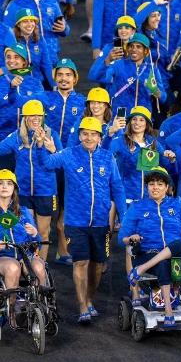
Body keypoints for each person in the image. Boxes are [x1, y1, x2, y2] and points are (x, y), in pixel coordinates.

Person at [39, 117, 126, 324]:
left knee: (97, 265)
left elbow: (118, 187)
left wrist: (124, 215)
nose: (89, 137)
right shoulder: (69, 154)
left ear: (99, 137)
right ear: (79, 135)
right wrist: (45, 146)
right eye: (85, 133)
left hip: (101, 223)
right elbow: (48, 164)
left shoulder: (107, 158)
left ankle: (89, 300)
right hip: (75, 222)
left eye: (93, 134)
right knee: (80, 262)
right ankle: (82, 307)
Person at [120, 166, 181, 325]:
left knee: (179, 244)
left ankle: (139, 271)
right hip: (147, 253)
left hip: (176, 255)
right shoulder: (137, 207)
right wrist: (131, 238)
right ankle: (168, 311)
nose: (155, 187)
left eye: (160, 184)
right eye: (152, 184)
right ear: (147, 186)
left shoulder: (178, 204)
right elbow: (122, 237)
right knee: (163, 263)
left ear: (167, 187)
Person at [0, 99, 61, 261]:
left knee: (42, 232)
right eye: (31, 115)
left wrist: (52, 149)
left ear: (43, 117)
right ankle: (27, 267)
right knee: (25, 231)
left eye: (38, 116)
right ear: (24, 117)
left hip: (46, 192)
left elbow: (62, 162)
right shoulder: (16, 137)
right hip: (23, 193)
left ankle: (41, 265)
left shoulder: (51, 134)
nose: (35, 119)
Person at [0, 169, 47, 329]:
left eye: (8, 183)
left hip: (24, 254)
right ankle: (11, 312)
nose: (4, 187)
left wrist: (35, 235)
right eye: (0, 183)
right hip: (3, 256)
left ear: (14, 188)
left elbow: (38, 242)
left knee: (39, 267)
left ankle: (41, 309)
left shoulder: (24, 212)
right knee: (13, 267)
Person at [3, 0, 69, 64]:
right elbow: (5, 35)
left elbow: (65, 30)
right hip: (29, 62)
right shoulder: (15, 5)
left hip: (53, 59)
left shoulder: (51, 2)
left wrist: (64, 28)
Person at [43, 58, 86, 148]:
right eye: (60, 75)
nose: (63, 78)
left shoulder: (83, 102)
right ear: (55, 77)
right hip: (48, 150)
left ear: (75, 78)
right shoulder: (45, 97)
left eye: (68, 75)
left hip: (71, 153)